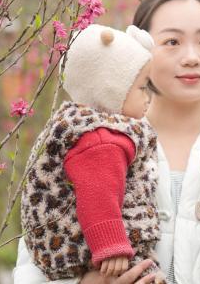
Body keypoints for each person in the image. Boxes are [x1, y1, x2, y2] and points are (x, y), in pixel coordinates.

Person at [15, 0, 200, 284]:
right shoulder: (89, 143)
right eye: (172, 41)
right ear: (138, 52)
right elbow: (35, 257)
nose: (192, 57)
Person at [20, 24, 164, 282]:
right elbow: (98, 194)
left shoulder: (90, 129)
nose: (149, 97)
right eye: (143, 87)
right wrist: (111, 246)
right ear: (112, 89)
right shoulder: (100, 140)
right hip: (85, 247)